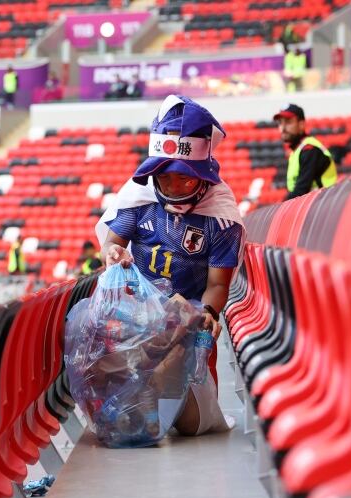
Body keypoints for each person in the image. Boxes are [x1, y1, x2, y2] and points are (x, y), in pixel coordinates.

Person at [98, 94, 245, 437]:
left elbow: (218, 283)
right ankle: (136, 403)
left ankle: (155, 402)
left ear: (203, 178)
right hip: (138, 310)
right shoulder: (139, 200)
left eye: (185, 179)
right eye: (165, 177)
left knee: (189, 410)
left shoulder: (221, 221)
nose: (174, 186)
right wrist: (112, 254)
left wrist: (207, 311)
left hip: (188, 316)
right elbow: (112, 244)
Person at [274, 103, 337, 199]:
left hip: (322, 205)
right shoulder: (298, 150)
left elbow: (300, 191)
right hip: (316, 206)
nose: (283, 127)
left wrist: (279, 208)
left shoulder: (309, 149)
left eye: (288, 122)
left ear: (301, 124)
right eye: (280, 123)